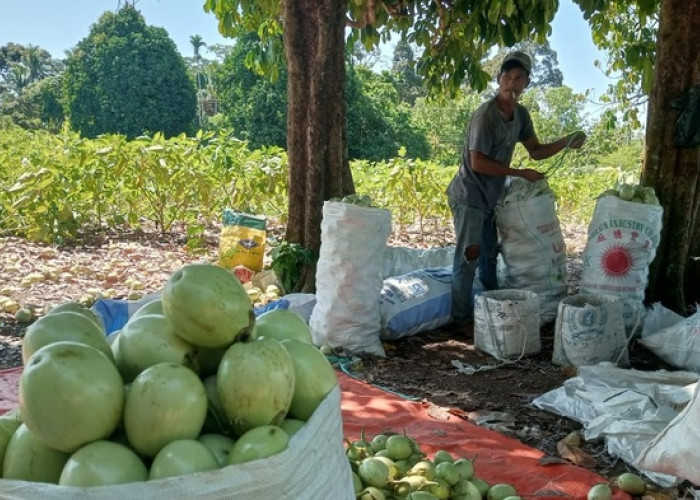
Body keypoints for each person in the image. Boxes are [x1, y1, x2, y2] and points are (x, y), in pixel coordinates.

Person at [446, 50, 586, 331]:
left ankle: (492, 307)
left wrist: (566, 141)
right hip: (469, 197)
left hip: (490, 198)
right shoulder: (485, 115)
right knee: (470, 255)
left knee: (488, 255)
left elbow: (535, 151)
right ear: (498, 80)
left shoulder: (520, 115)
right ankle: (460, 320)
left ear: (527, 84)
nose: (512, 82)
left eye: (519, 78)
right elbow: (477, 161)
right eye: (507, 77)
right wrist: (519, 173)